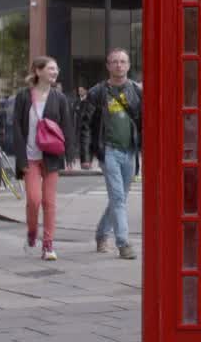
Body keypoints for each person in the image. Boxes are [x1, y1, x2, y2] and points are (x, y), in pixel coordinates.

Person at [13, 57, 78, 262]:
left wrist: (70, 155)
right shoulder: (24, 97)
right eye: (50, 68)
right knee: (34, 200)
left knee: (49, 202)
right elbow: (17, 130)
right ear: (38, 71)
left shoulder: (59, 98)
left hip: (51, 156)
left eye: (56, 69)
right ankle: (32, 232)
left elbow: (67, 126)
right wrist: (21, 160)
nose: (55, 72)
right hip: (30, 157)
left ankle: (48, 244)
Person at [80, 48, 142, 260]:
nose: (119, 65)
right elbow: (86, 124)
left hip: (130, 151)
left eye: (122, 61)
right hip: (109, 151)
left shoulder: (136, 90)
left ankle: (101, 233)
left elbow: (145, 122)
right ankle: (123, 243)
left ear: (128, 65)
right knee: (117, 197)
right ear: (107, 66)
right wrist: (86, 157)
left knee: (120, 198)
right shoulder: (98, 92)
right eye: (114, 62)